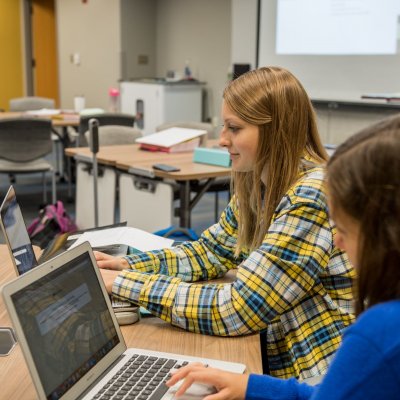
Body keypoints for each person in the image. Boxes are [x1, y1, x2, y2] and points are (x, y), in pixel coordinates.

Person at [95, 67, 355, 379]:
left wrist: (124, 285)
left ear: (276, 131)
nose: (221, 140)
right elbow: (211, 252)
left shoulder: (312, 195)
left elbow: (239, 309)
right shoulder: (258, 183)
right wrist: (127, 265)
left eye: (234, 128)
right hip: (279, 349)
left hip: (320, 372)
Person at [166, 126, 400, 399]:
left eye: (344, 231)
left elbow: (240, 308)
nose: (337, 242)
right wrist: (251, 386)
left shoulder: (379, 334)